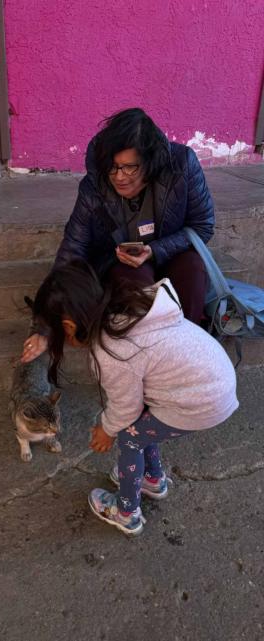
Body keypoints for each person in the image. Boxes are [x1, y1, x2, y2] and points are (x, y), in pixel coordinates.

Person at [31, 260, 238, 536]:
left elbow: (125, 407)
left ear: (69, 327)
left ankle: (127, 512)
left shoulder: (113, 353)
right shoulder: (128, 306)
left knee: (128, 436)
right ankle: (151, 478)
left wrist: (106, 429)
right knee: (141, 426)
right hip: (213, 382)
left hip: (201, 401)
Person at [22, 107, 214, 364]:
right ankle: (145, 363)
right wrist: (45, 328)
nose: (119, 177)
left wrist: (156, 250)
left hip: (172, 253)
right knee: (130, 282)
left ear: (150, 161)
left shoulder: (182, 166)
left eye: (129, 168)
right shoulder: (94, 186)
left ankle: (190, 354)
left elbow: (202, 226)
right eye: (113, 168)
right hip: (122, 264)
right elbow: (71, 253)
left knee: (192, 268)